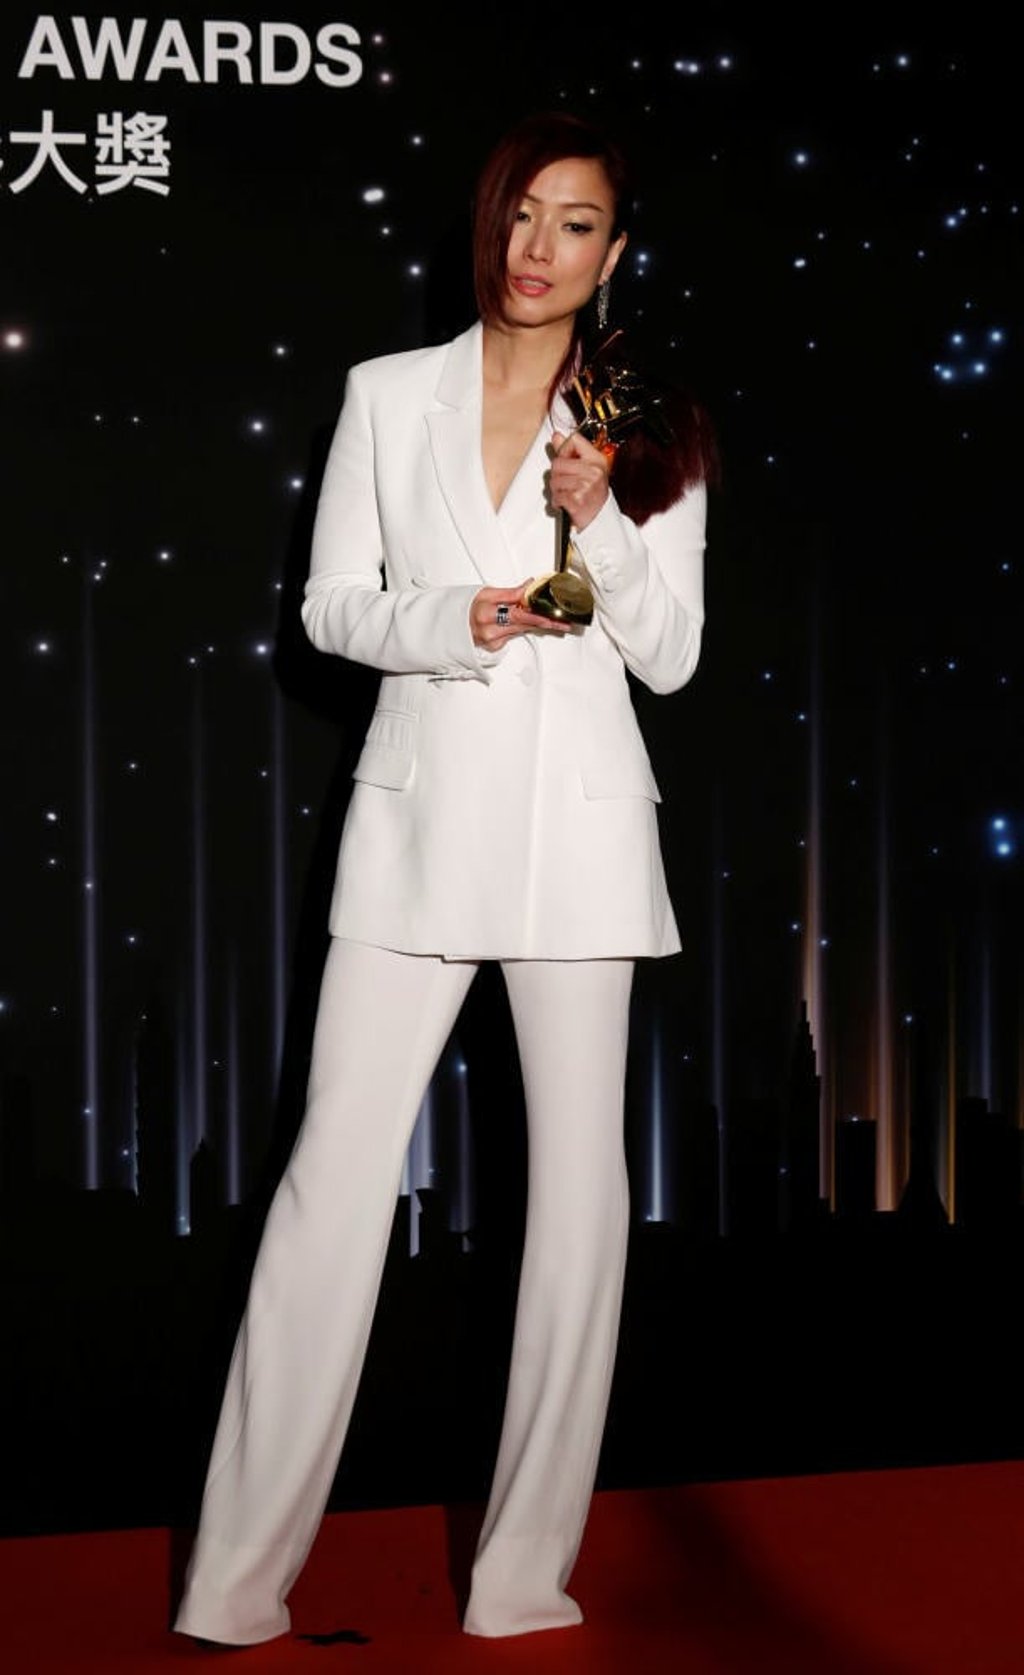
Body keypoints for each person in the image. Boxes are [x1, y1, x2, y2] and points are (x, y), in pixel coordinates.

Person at [174, 109, 714, 1646]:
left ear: (616, 251)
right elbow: (331, 608)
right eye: (522, 214)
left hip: (579, 834)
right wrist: (453, 620)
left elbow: (672, 657)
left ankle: (523, 1577)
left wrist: (604, 523)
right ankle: (232, 1583)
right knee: (327, 1186)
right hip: (415, 820)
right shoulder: (386, 392)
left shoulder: (651, 419)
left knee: (579, 1205)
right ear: (488, 224)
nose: (541, 249)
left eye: (577, 224)